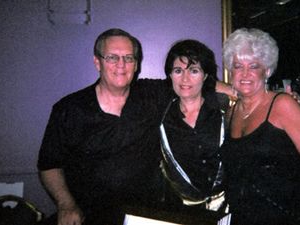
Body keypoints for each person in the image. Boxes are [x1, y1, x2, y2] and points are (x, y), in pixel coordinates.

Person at [38, 29, 234, 225]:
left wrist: (240, 92)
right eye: (112, 58)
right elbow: (49, 165)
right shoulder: (70, 109)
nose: (121, 65)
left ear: (136, 64)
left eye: (128, 58)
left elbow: (191, 82)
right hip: (90, 214)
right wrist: (66, 205)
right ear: (97, 62)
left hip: (146, 213)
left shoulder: (151, 94)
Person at [220, 28, 300, 225]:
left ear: (267, 70)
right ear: (230, 70)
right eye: (238, 66)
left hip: (290, 218)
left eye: (253, 66)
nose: (244, 73)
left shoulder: (283, 105)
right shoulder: (230, 113)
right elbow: (197, 82)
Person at [159, 39, 227, 214]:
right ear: (170, 75)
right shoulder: (160, 116)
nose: (185, 78)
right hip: (180, 213)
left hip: (227, 211)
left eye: (194, 71)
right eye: (178, 70)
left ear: (205, 76)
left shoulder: (226, 110)